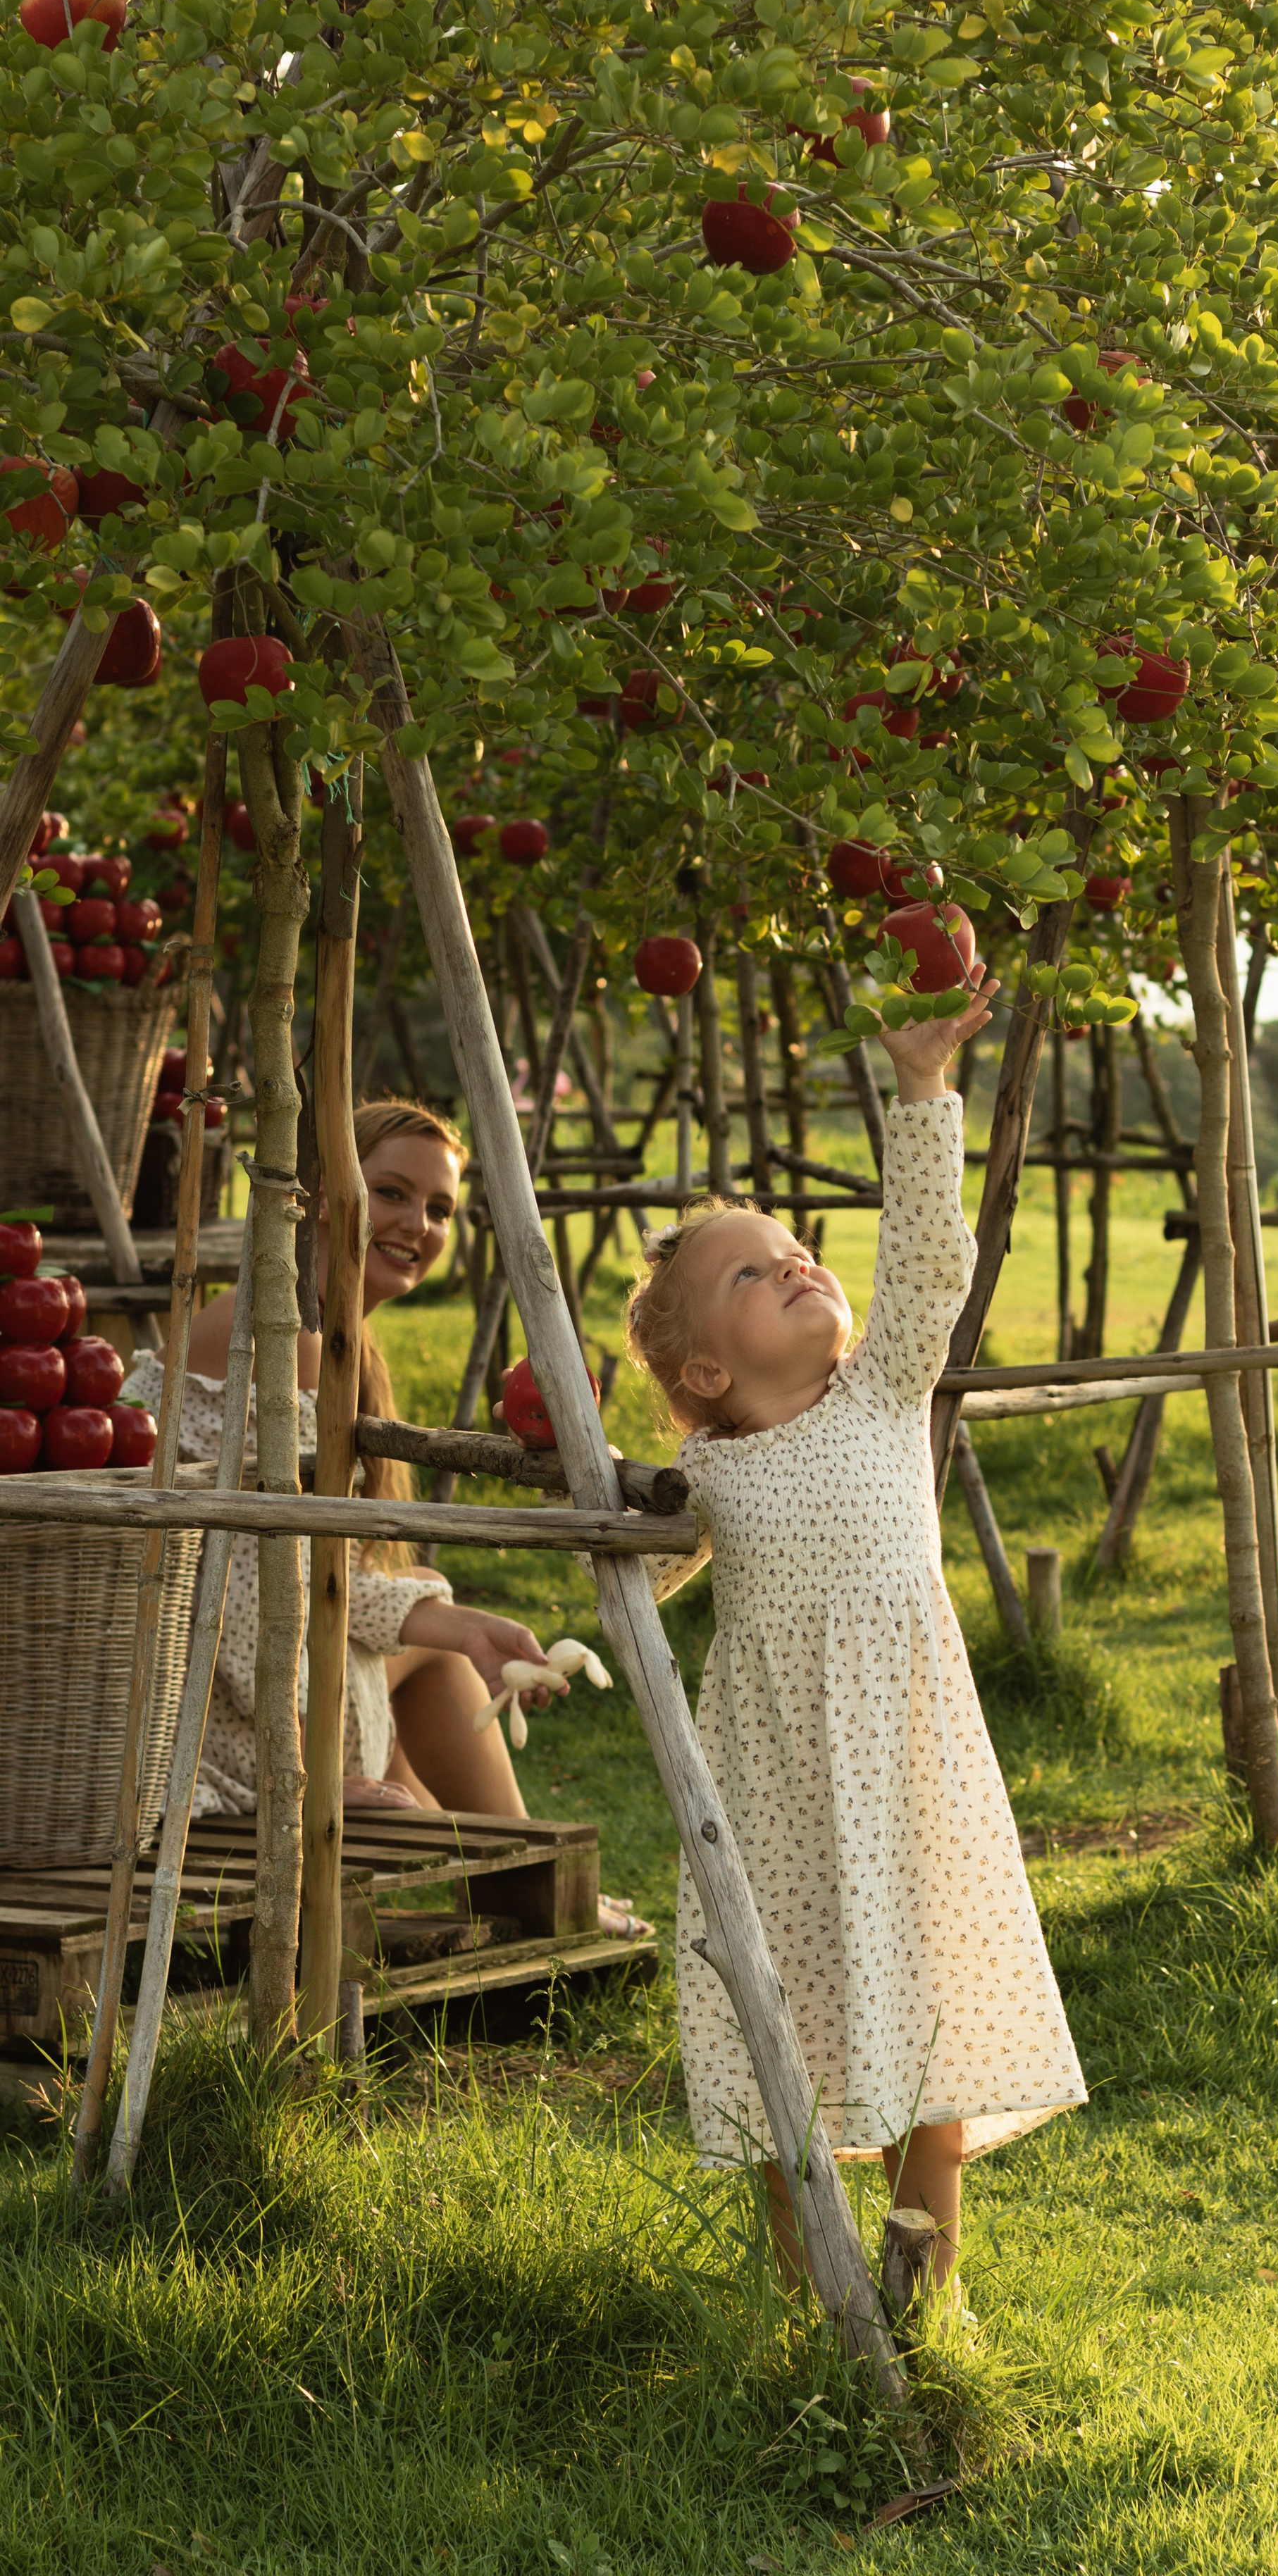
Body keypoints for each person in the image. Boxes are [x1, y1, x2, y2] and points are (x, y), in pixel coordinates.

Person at [625, 986, 1087, 2304]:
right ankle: (811, 2305)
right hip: (776, 1797)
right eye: (754, 1275)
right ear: (707, 1372)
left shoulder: (885, 1395)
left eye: (796, 1250)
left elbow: (932, 1261)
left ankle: (927, 2302)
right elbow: (638, 1570)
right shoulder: (707, 1475)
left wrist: (925, 1093)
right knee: (790, 2049)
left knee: (928, 2035)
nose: (800, 1267)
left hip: (909, 1775)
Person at [120, 1097, 562, 1819]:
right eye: (391, 1193)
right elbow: (250, 1588)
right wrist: (293, 1770)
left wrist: (471, 1627)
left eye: (441, 1209)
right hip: (189, 1710)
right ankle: (530, 1866)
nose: (418, 1225)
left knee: (429, 1598)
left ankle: (483, 1866)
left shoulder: (327, 1334)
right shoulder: (281, 1333)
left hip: (212, 1676)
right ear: (322, 1197)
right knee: (436, 1648)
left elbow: (315, 1574)